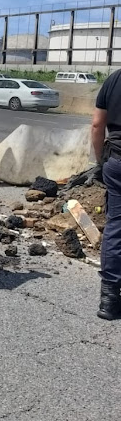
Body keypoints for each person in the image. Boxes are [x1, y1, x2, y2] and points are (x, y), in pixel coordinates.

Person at [91, 69, 121, 319]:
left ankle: (109, 300)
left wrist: (101, 161)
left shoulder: (114, 79)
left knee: (116, 226)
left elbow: (97, 124)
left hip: (117, 160)